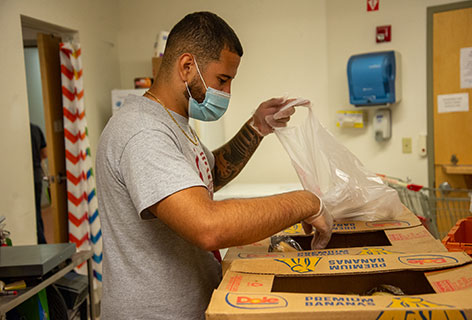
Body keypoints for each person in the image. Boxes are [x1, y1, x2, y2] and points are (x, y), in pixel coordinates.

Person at [96, 11, 332, 319]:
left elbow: (208, 176)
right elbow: (208, 226)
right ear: (186, 66)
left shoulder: (173, 122)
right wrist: (305, 202)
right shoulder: (143, 132)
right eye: (222, 80)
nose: (227, 93)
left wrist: (257, 127)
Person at [30, 123, 47, 244]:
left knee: (33, 213)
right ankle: (42, 243)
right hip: (37, 175)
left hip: (26, 177)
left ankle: (41, 243)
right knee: (37, 211)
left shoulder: (19, 132)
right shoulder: (36, 129)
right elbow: (44, 154)